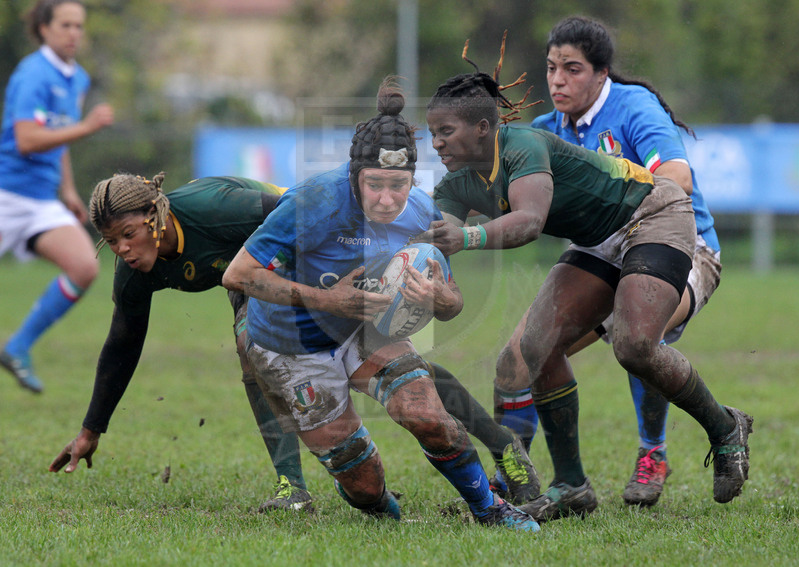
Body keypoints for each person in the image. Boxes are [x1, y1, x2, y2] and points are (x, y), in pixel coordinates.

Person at [415, 49, 752, 522]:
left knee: (634, 345)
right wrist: (420, 273)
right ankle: (571, 485)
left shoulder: (523, 145)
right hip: (599, 240)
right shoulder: (454, 185)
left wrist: (465, 236)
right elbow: (436, 242)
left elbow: (529, 222)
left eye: (445, 132)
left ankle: (725, 427)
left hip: (653, 213)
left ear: (483, 128)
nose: (436, 144)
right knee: (531, 351)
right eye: (432, 133)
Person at [222, 78, 540, 531]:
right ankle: (381, 506)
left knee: (428, 416)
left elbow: (452, 302)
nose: (388, 199)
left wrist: (442, 298)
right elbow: (237, 275)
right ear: (355, 176)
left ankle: (489, 508)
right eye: (375, 185)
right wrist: (327, 299)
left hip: (364, 329)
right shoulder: (313, 202)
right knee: (365, 488)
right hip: (289, 346)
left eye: (400, 184)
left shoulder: (420, 212)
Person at [490, 15, 722, 508]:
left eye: (572, 69)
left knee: (634, 331)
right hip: (602, 256)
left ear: (601, 74)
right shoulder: (544, 131)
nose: (557, 79)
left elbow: (677, 177)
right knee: (521, 356)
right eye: (551, 68)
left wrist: (612, 183)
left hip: (682, 245)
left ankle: (654, 452)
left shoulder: (632, 107)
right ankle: (515, 475)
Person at [48, 173, 314, 513]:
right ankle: (292, 488)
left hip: (303, 248)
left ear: (156, 216)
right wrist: (90, 431)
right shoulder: (134, 273)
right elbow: (122, 345)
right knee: (251, 345)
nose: (122, 248)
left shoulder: (211, 210)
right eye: (111, 240)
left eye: (128, 234)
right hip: (250, 275)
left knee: (330, 350)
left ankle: (346, 453)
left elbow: (302, 212)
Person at [0, 0, 115, 393]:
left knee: (85, 266)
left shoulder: (76, 78)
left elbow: (57, 137)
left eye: (79, 26)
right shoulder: (33, 73)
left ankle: (17, 346)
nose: (74, 34)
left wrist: (66, 188)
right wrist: (86, 128)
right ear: (44, 29)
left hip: (41, 201)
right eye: (66, 25)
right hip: (6, 194)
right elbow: (28, 139)